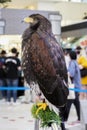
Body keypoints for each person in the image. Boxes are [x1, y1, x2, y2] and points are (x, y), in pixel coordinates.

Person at [66, 50, 81, 122]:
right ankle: (80, 117)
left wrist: (66, 73)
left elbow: (71, 74)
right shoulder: (76, 62)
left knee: (69, 101)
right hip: (77, 85)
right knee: (76, 102)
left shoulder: (72, 63)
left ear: (70, 56)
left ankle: (64, 118)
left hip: (73, 86)